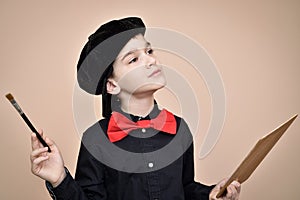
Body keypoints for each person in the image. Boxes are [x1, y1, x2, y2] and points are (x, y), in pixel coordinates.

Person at [30, 17, 241, 200]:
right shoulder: (95, 139)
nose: (151, 60)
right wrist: (60, 179)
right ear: (112, 85)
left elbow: (185, 188)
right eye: (133, 59)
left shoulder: (179, 128)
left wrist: (212, 194)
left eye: (149, 51)